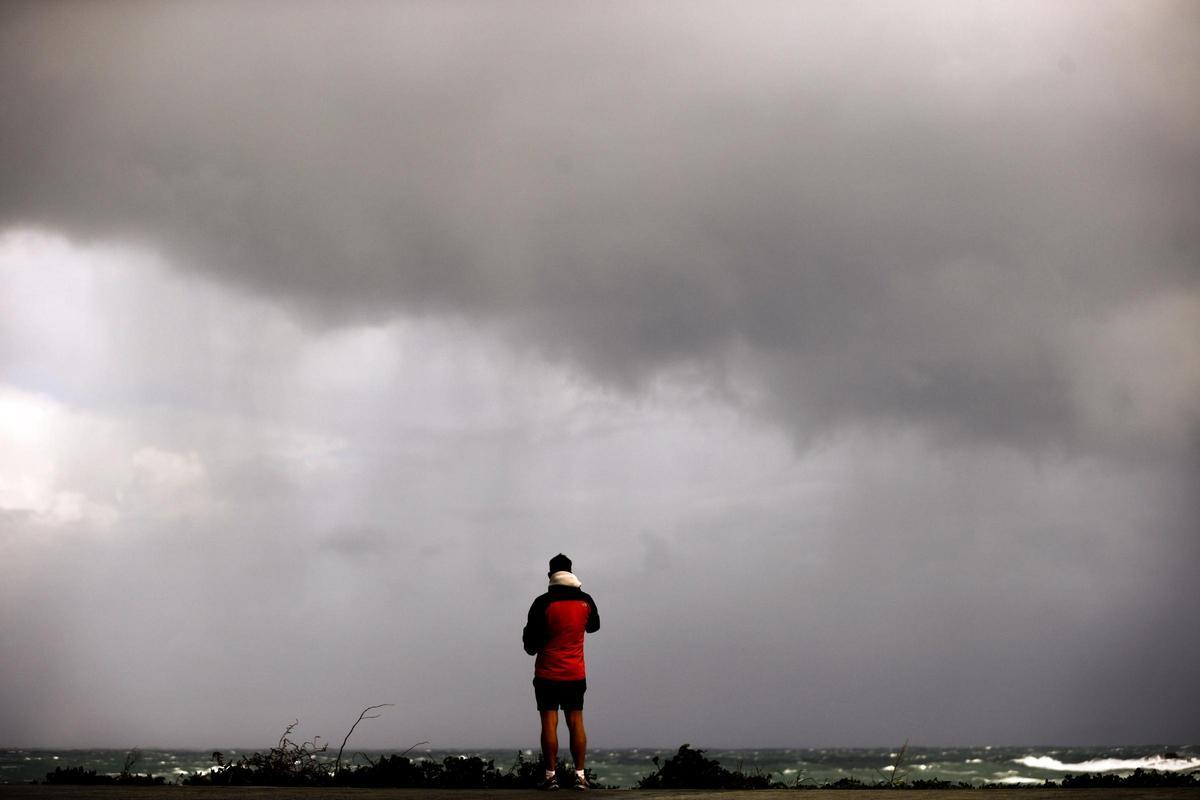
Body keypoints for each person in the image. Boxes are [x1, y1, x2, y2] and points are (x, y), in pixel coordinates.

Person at [522, 553, 600, 790]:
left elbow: (530, 646)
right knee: (576, 721)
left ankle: (550, 776)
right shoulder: (586, 600)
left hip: (547, 674)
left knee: (549, 723)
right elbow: (594, 626)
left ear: (549, 575)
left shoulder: (542, 603)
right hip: (575, 673)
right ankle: (580, 776)